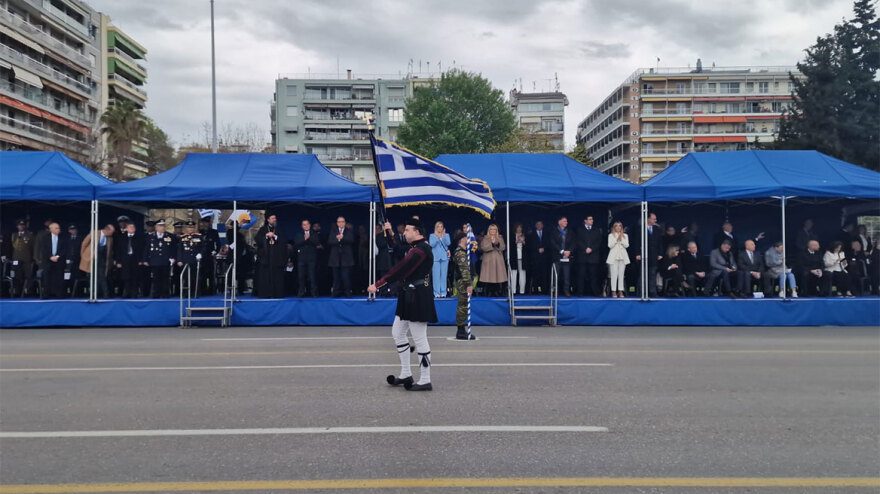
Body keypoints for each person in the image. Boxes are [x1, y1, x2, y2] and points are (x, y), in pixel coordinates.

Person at [367, 218, 438, 391]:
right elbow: (399, 250)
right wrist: (390, 232)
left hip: (418, 297)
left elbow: (400, 268)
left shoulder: (422, 250)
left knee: (420, 338)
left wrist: (378, 284)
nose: (404, 233)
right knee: (397, 332)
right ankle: (406, 373)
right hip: (408, 295)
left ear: (417, 232)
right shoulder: (415, 248)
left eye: (407, 230)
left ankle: (425, 379)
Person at [255, 213, 287, 298]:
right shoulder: (263, 229)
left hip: (277, 258)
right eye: (273, 218)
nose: (274, 219)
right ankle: (266, 294)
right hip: (266, 258)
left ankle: (277, 294)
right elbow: (257, 240)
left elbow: (284, 242)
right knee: (265, 277)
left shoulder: (279, 230)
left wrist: (275, 236)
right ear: (268, 220)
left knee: (277, 277)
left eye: (275, 218)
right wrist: (266, 236)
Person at [80, 224, 115, 299]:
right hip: (91, 258)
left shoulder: (110, 238)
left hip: (102, 259)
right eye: (111, 232)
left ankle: (105, 294)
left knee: (102, 276)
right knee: (91, 276)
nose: (112, 234)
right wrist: (84, 255)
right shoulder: (94, 233)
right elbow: (84, 244)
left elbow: (110, 251)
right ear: (106, 230)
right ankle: (92, 293)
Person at [632, 212, 662, 297]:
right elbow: (637, 242)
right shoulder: (640, 228)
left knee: (652, 274)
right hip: (643, 255)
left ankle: (652, 292)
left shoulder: (657, 229)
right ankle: (641, 292)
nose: (655, 220)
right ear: (648, 219)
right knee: (643, 274)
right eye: (653, 219)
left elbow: (660, 242)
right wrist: (637, 253)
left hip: (654, 255)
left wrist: (660, 253)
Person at [452, 232, 476, 340]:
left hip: (463, 281)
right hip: (463, 282)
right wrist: (468, 284)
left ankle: (462, 329)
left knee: (464, 305)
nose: (468, 239)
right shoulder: (460, 253)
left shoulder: (463, 252)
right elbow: (464, 270)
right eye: (467, 237)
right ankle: (460, 331)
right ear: (462, 239)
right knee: (463, 306)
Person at [143, 220, 176, 298]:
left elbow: (173, 249)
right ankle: (155, 293)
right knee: (155, 278)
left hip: (166, 261)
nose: (162, 228)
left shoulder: (170, 236)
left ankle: (165, 294)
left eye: (163, 226)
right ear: (156, 227)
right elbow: (146, 249)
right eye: (160, 226)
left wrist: (173, 258)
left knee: (165, 278)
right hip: (155, 261)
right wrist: (145, 259)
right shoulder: (150, 237)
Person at [38, 222, 68, 299]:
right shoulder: (45, 238)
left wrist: (57, 256)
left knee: (59, 277)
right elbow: (43, 249)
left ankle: (59, 294)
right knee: (47, 278)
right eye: (56, 228)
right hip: (48, 261)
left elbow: (64, 249)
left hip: (59, 260)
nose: (58, 229)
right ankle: (46, 294)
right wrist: (50, 257)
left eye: (58, 228)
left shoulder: (63, 237)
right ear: (51, 229)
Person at [575, 215, 603, 296]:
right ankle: (580, 292)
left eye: (592, 219)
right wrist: (585, 248)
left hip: (593, 256)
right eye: (590, 219)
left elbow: (599, 242)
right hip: (582, 256)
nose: (592, 221)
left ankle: (595, 292)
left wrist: (591, 249)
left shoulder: (596, 230)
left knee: (593, 275)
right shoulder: (579, 230)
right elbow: (577, 241)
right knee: (581, 275)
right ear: (585, 220)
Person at [177, 221, 205, 297]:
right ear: (186, 228)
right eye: (189, 227)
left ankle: (195, 292)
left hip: (195, 260)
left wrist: (200, 254)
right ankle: (186, 293)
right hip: (186, 260)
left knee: (195, 277)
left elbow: (203, 247)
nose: (190, 229)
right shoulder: (182, 237)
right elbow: (180, 249)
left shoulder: (199, 237)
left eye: (192, 227)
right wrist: (179, 260)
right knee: (186, 277)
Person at [328, 216, 354, 297]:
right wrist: (338, 240)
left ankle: (347, 293)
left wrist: (342, 239)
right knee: (336, 278)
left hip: (346, 259)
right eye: (339, 222)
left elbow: (351, 240)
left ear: (345, 223)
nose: (341, 223)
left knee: (345, 277)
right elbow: (329, 241)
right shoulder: (333, 231)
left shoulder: (349, 231)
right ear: (337, 223)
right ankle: (335, 293)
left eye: (342, 221)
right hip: (335, 259)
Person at [293, 219, 320, 297]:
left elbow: (317, 242)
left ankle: (314, 293)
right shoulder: (299, 234)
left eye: (307, 224)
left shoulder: (314, 233)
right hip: (301, 258)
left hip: (311, 258)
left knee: (312, 276)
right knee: (301, 276)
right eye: (304, 224)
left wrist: (309, 238)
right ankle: (301, 292)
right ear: (302, 226)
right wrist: (304, 239)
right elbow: (297, 243)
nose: (306, 226)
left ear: (310, 225)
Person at [479, 224, 508, 297]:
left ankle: (497, 291)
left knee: (497, 276)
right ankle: (489, 291)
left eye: (494, 229)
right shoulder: (485, 238)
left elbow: (503, 247)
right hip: (488, 260)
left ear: (496, 230)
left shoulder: (500, 238)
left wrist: (497, 243)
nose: (492, 231)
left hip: (498, 260)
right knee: (489, 276)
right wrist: (492, 244)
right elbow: (483, 247)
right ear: (489, 230)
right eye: (491, 229)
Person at [118, 223, 144, 298]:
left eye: (133, 227)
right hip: (125, 260)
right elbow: (119, 250)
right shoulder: (122, 238)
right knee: (126, 277)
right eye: (130, 227)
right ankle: (126, 293)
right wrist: (118, 261)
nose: (131, 229)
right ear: (126, 229)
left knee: (135, 278)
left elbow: (141, 250)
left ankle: (134, 294)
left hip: (135, 260)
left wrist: (141, 260)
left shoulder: (139, 238)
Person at [550, 216, 574, 297]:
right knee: (556, 275)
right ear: (559, 222)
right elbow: (552, 243)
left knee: (566, 275)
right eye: (564, 221)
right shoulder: (554, 231)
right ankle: (555, 291)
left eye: (566, 221)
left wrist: (568, 251)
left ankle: (566, 290)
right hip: (557, 256)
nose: (566, 223)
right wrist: (562, 251)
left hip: (567, 257)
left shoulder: (570, 231)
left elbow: (573, 242)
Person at [11, 220, 35, 297]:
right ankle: (17, 292)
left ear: (24, 226)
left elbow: (33, 247)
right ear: (17, 226)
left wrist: (33, 258)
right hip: (16, 259)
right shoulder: (14, 235)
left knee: (28, 276)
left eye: (22, 225)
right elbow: (13, 247)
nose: (21, 226)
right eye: (19, 225)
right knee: (17, 276)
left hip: (26, 259)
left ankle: (29, 292)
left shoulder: (30, 235)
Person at [606, 221, 629, 298]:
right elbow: (610, 245)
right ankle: (613, 291)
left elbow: (627, 245)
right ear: (614, 227)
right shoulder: (611, 235)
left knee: (621, 275)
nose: (618, 227)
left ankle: (620, 291)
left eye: (620, 226)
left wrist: (621, 240)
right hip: (613, 258)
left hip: (622, 257)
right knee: (614, 275)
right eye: (616, 226)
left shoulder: (625, 235)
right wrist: (616, 240)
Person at [198, 218, 221, 295]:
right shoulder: (200, 232)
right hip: (201, 256)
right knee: (202, 274)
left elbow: (218, 244)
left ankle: (211, 290)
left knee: (211, 274)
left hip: (210, 255)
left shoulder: (213, 232)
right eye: (204, 223)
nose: (205, 224)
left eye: (206, 223)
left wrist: (216, 251)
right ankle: (203, 290)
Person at [527, 220, 550, 294]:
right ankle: (535, 289)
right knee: (535, 274)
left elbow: (549, 243)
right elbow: (529, 245)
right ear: (535, 226)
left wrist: (544, 248)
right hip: (535, 257)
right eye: (538, 224)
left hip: (544, 257)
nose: (539, 226)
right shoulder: (531, 234)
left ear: (543, 225)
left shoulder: (547, 233)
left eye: (540, 224)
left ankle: (544, 290)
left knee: (544, 274)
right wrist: (537, 249)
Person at [429, 221, 451, 297]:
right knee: (436, 276)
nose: (440, 228)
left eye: (441, 226)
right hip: (436, 258)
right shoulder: (432, 235)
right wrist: (437, 238)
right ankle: (436, 293)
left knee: (443, 275)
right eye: (438, 226)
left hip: (444, 257)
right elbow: (431, 244)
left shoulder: (446, 235)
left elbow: (448, 243)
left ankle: (443, 292)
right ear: (436, 228)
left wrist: (443, 237)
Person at [510, 223, 528, 295]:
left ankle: (522, 291)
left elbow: (529, 246)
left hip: (523, 257)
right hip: (514, 257)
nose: (519, 229)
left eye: (520, 227)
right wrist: (516, 241)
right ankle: (513, 290)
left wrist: (523, 242)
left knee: (522, 273)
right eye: (517, 227)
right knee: (513, 273)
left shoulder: (525, 235)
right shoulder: (511, 235)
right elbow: (509, 245)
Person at [66, 224, 83, 296]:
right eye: (72, 229)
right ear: (69, 231)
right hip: (68, 261)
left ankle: (78, 292)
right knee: (67, 277)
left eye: (75, 229)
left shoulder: (80, 238)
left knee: (77, 276)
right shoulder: (66, 239)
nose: (74, 231)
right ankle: (68, 290)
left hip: (78, 260)